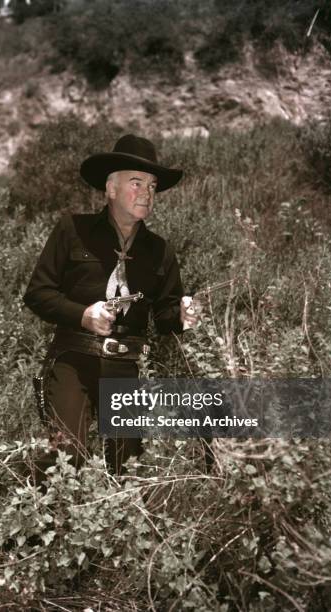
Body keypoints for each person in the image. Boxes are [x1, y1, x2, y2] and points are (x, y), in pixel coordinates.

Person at [23, 134, 200, 484]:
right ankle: (33, 530)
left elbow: (164, 317)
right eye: (136, 183)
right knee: (66, 457)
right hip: (72, 360)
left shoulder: (159, 250)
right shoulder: (72, 230)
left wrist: (181, 315)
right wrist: (82, 315)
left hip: (124, 369)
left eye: (151, 186)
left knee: (128, 471)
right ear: (111, 188)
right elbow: (38, 293)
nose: (147, 193)